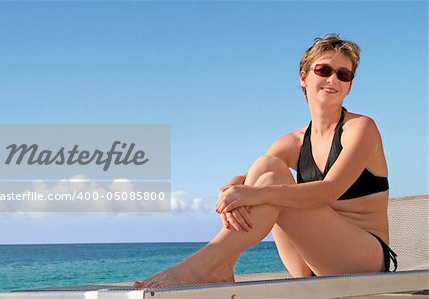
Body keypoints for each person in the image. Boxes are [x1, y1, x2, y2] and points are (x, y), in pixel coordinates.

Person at [134, 34, 397, 289]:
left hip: (363, 259)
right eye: (324, 70)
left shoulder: (361, 128)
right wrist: (230, 191)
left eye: (343, 74)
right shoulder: (293, 142)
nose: (333, 79)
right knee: (266, 167)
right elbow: (247, 179)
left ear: (349, 86)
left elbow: (328, 191)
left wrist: (251, 193)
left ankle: (198, 267)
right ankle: (223, 266)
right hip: (309, 262)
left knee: (266, 185)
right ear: (303, 77)